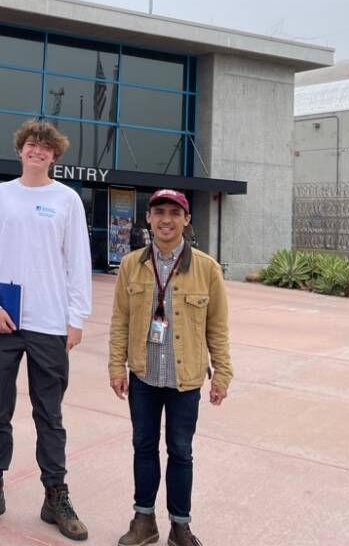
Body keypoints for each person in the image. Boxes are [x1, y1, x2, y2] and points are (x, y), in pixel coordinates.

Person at [0, 119, 92, 541]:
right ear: (20, 150)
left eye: (45, 147)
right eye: (30, 145)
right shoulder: (1, 196)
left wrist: (77, 319)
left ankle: (55, 494)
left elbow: (78, 261)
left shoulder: (67, 200)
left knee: (50, 416)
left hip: (50, 323)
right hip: (3, 321)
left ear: (54, 155)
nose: (37, 151)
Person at [108, 189, 233, 546]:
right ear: (148, 218)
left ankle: (180, 526)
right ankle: (143, 521)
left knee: (181, 451)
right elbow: (120, 320)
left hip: (186, 378)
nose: (166, 219)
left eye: (174, 213)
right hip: (144, 376)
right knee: (143, 447)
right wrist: (117, 366)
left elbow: (218, 327)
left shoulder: (207, 268)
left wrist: (222, 374)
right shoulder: (132, 264)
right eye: (159, 212)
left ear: (186, 220)